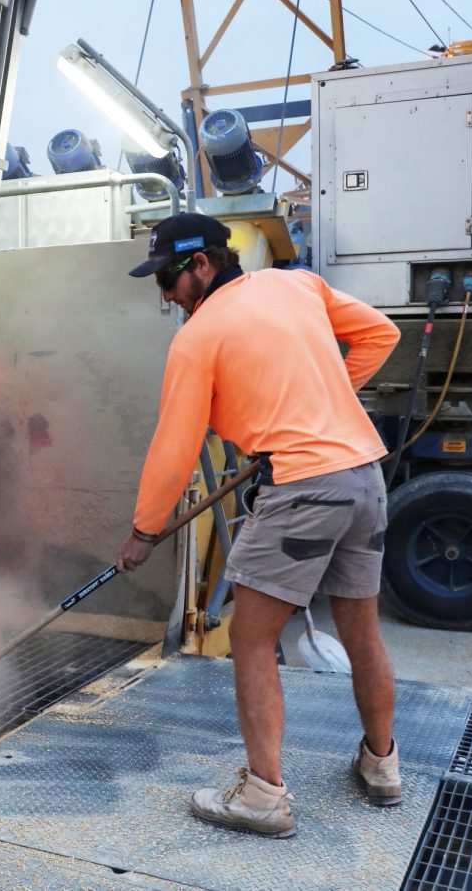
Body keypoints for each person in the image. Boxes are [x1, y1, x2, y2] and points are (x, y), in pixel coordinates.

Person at [116, 212, 402, 839]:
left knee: (249, 637)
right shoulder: (294, 285)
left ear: (200, 264)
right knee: (361, 629)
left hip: (303, 487)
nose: (165, 295)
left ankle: (263, 796)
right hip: (363, 475)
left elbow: (173, 448)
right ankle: (382, 766)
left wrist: (142, 532)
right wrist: (326, 399)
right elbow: (381, 334)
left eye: (167, 278)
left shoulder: (196, 339)